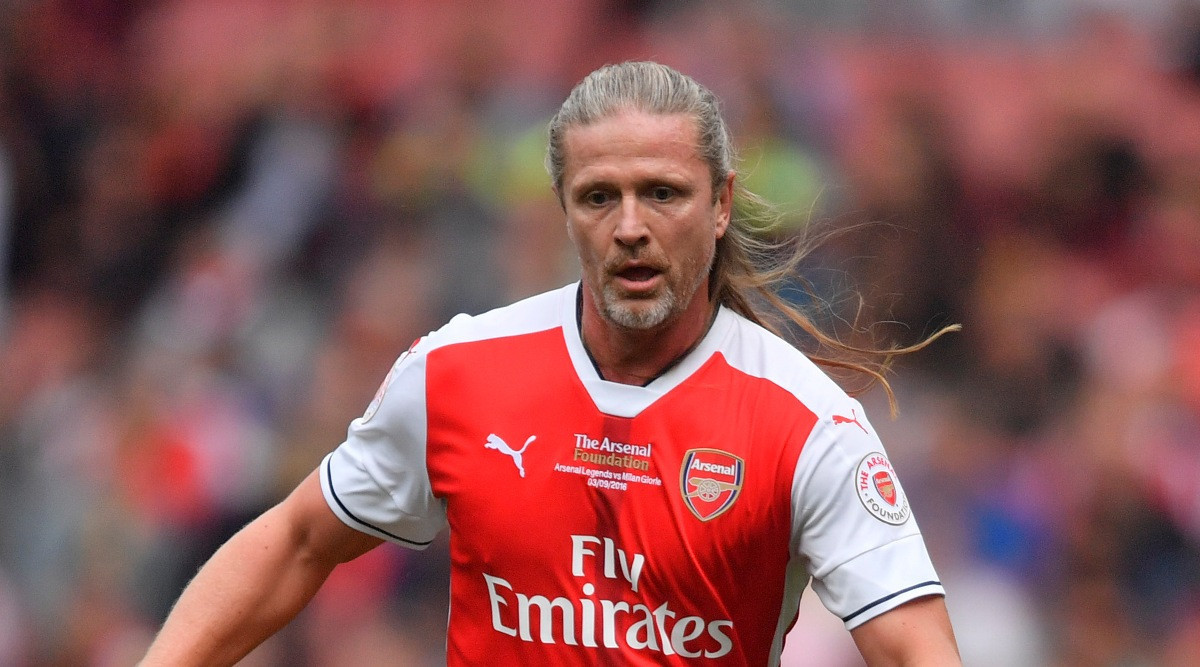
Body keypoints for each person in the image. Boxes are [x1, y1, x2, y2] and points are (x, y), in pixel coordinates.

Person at [141, 61, 961, 665]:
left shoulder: (807, 425)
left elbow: (915, 648)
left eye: (663, 192)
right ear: (564, 210)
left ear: (720, 205)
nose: (630, 226)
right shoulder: (457, 373)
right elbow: (296, 540)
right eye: (600, 196)